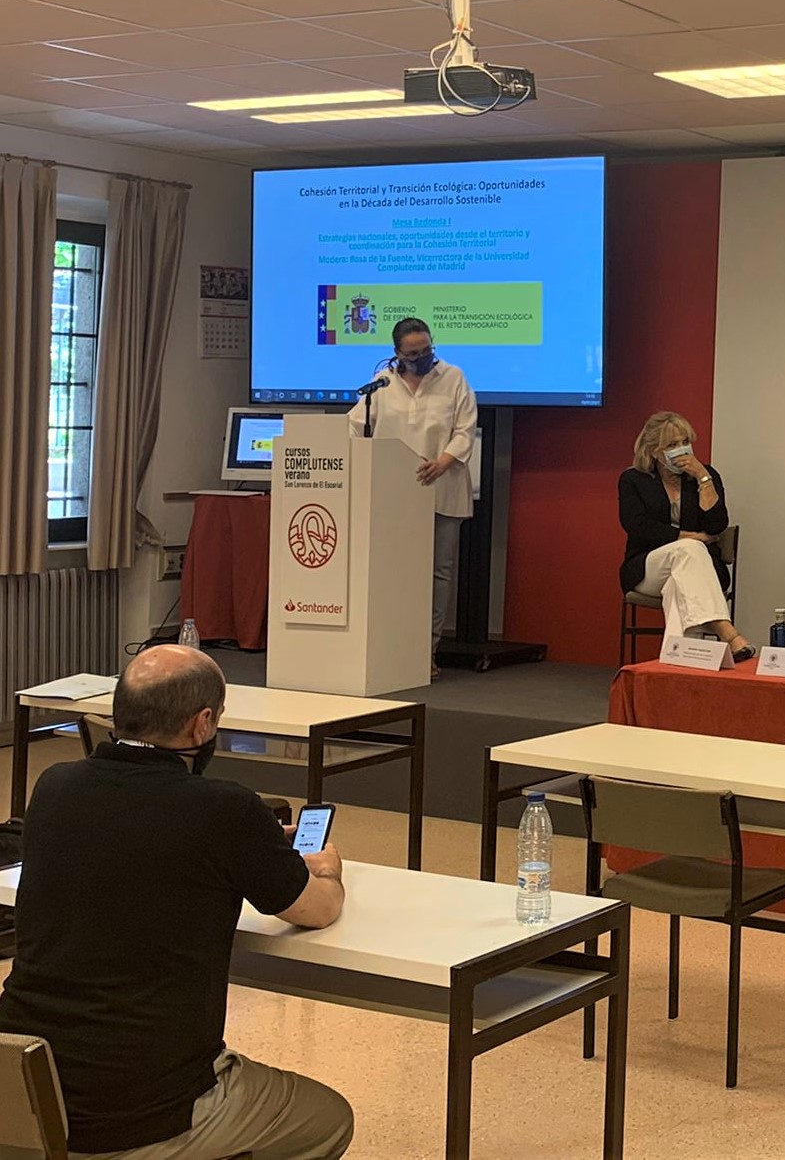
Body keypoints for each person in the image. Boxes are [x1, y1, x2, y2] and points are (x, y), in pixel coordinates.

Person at [0, 646, 352, 1159]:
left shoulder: (55, 785)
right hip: (143, 1110)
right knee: (328, 1119)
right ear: (202, 724)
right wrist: (327, 869)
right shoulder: (226, 810)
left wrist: (255, 846)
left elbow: (133, 844)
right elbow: (316, 909)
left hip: (23, 1092)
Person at [345, 316, 477, 676]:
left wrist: (443, 461)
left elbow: (465, 429)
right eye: (414, 354)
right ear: (397, 353)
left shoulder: (454, 378)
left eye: (427, 350)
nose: (423, 358)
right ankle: (391, 647)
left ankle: (425, 651)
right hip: (393, 496)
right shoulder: (382, 384)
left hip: (443, 489)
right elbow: (354, 427)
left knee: (437, 574)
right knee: (393, 573)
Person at [617, 411, 753, 661]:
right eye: (672, 445)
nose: (681, 450)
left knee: (677, 586)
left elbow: (716, 525)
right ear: (655, 451)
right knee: (690, 548)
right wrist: (687, 537)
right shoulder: (633, 479)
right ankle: (727, 631)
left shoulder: (706, 475)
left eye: (685, 442)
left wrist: (702, 477)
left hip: (701, 568)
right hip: (647, 567)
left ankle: (679, 664)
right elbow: (637, 526)